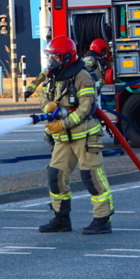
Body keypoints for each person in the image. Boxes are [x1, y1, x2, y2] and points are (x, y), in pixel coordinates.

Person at [35, 35, 113, 234]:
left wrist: (62, 124)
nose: (51, 62)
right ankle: (61, 218)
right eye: (49, 57)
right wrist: (48, 106)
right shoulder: (54, 76)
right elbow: (43, 95)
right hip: (63, 139)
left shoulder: (83, 77)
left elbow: (86, 109)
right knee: (56, 176)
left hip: (86, 136)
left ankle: (102, 219)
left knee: (92, 177)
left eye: (55, 57)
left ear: (68, 57)